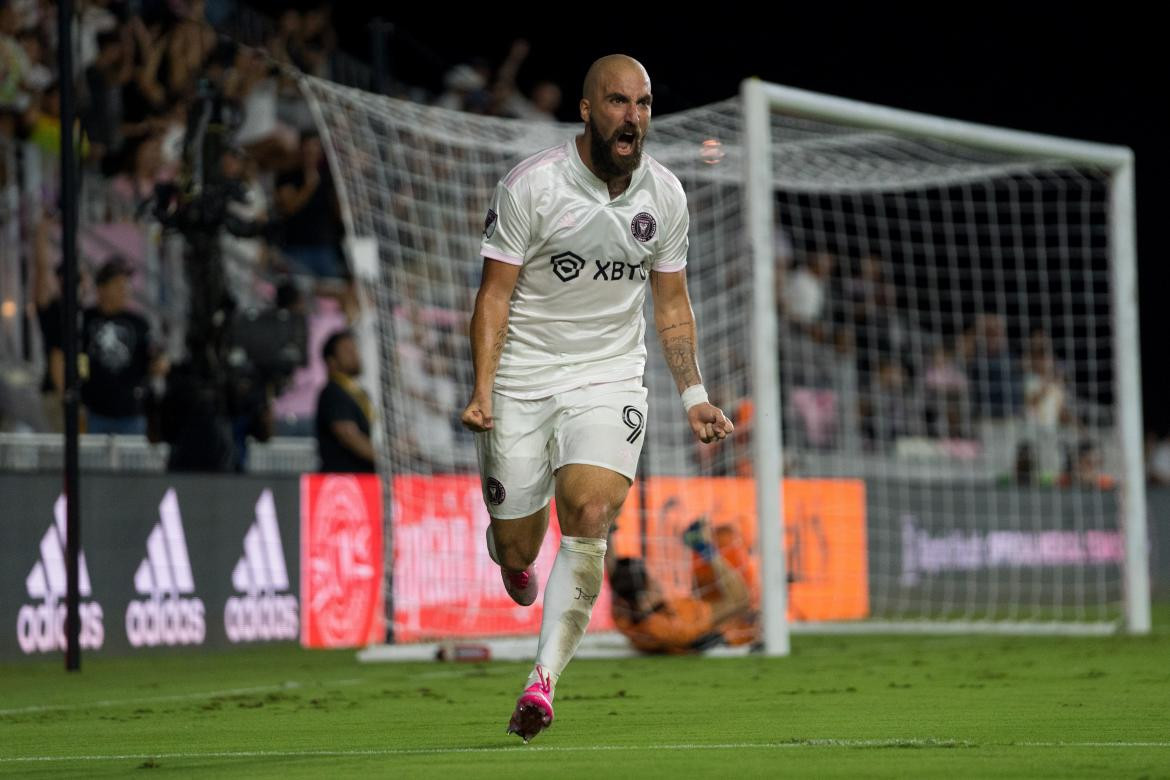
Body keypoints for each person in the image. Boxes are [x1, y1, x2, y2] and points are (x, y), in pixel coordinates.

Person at [460, 54, 733, 743]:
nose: (632, 117)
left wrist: (693, 393)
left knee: (589, 511)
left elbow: (671, 303)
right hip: (524, 372)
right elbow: (493, 295)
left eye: (642, 104)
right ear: (587, 110)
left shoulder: (665, 196)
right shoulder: (533, 186)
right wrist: (482, 388)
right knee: (518, 543)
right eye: (617, 103)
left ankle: (542, 682)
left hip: (609, 374)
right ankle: (513, 561)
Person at [609, 520, 756, 654]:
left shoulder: (623, 617)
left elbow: (614, 574)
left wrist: (608, 531)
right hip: (726, 641)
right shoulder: (674, 622)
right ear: (645, 595)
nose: (657, 581)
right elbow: (740, 600)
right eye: (652, 579)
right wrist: (706, 549)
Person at [80, 257, 159, 435]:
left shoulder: (139, 323)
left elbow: (151, 359)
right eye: (118, 285)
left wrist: (158, 364)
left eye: (127, 285)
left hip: (131, 412)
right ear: (102, 288)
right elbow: (79, 359)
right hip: (94, 411)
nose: (125, 290)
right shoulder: (85, 319)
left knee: (131, 460)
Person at [315, 329, 375, 473]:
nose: (355, 355)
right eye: (347, 351)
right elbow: (349, 436)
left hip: (365, 478)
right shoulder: (333, 392)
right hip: (343, 482)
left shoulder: (358, 393)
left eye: (355, 349)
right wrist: (387, 459)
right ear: (332, 362)